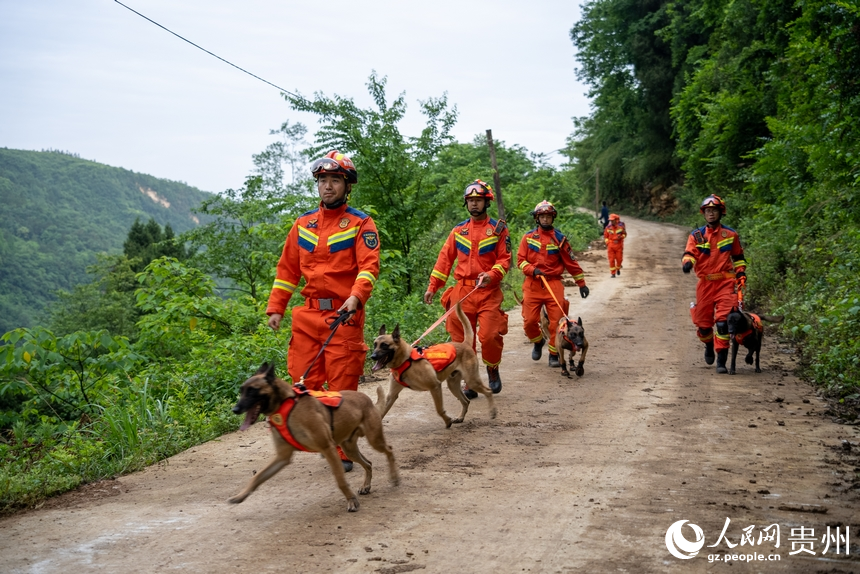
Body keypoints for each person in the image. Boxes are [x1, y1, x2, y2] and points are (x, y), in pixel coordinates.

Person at [266, 150, 380, 471]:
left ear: (347, 186)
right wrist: (276, 308)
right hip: (307, 316)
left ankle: (344, 449)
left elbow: (369, 268)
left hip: (344, 315)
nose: (328, 186)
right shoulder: (303, 224)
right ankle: (320, 438)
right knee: (306, 381)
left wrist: (356, 296)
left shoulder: (361, 224)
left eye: (334, 180)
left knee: (342, 383)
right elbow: (287, 271)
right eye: (323, 180)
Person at [424, 179, 511, 397]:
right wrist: (433, 286)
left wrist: (491, 275)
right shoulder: (458, 231)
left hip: (489, 292)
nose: (474, 205)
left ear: (486, 202)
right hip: (462, 293)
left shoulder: (498, 229)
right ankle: (469, 381)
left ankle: (492, 369)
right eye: (470, 201)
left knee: (490, 336)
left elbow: (504, 259)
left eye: (478, 201)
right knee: (461, 341)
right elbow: (444, 260)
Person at [517, 201, 589, 367]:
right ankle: (537, 341)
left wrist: (581, 283)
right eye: (542, 216)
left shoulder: (560, 240)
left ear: (552, 218)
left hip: (553, 284)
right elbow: (520, 260)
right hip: (532, 284)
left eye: (548, 216)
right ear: (537, 218)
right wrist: (531, 269)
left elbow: (571, 263)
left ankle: (553, 354)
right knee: (529, 321)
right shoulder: (528, 238)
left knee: (556, 323)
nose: (545, 219)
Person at [682, 194, 747, 374]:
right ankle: (709, 345)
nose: (711, 214)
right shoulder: (697, 235)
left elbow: (738, 258)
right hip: (705, 284)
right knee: (703, 325)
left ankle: (721, 360)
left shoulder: (730, 235)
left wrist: (741, 274)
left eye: (714, 210)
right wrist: (687, 263)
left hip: (726, 282)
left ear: (720, 212)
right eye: (708, 211)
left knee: (723, 323)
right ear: (704, 213)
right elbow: (689, 253)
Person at [603, 213, 627, 277]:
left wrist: (621, 237)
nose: (611, 221)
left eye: (612, 220)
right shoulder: (608, 228)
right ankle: (613, 273)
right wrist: (608, 243)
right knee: (611, 260)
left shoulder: (621, 227)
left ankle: (618, 268)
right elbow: (605, 236)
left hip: (619, 245)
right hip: (611, 245)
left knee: (619, 259)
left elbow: (624, 234)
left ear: (616, 220)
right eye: (610, 220)